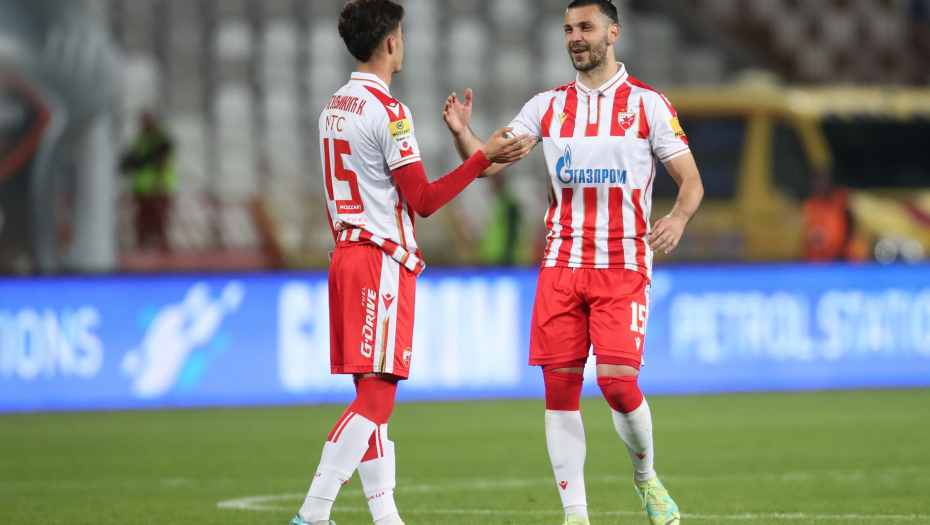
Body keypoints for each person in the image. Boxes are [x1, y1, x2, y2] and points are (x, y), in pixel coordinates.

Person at [442, 1, 703, 523]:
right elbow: (487, 165)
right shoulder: (547, 106)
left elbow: (691, 181)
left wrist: (677, 218)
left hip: (623, 264)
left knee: (617, 383)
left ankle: (646, 477)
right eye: (567, 29)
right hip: (561, 264)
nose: (575, 37)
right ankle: (575, 514)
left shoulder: (648, 105)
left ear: (613, 32)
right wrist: (462, 135)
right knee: (559, 390)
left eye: (585, 27)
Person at [290, 1, 534, 525]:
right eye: (401, 33)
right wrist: (481, 156)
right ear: (390, 42)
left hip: (346, 255)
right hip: (380, 261)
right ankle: (313, 513)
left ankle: (387, 518)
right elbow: (422, 200)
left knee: (372, 398)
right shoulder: (390, 112)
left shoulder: (333, 107)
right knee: (377, 401)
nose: (404, 41)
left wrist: (472, 150)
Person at [120, 111, 176, 253]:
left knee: (158, 223)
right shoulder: (140, 140)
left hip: (158, 188)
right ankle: (143, 251)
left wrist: (159, 182)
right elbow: (132, 161)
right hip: (142, 188)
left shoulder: (161, 140)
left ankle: (161, 253)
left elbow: (162, 162)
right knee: (143, 224)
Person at [800, 169, 865, 261]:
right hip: (818, 260)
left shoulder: (841, 200)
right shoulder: (811, 204)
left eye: (823, 179)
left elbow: (847, 231)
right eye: (817, 180)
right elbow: (807, 235)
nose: (820, 184)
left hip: (843, 258)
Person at [479, 175, 522, 265]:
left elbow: (512, 232)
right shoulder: (497, 201)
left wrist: (508, 254)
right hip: (491, 254)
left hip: (503, 256)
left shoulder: (509, 204)